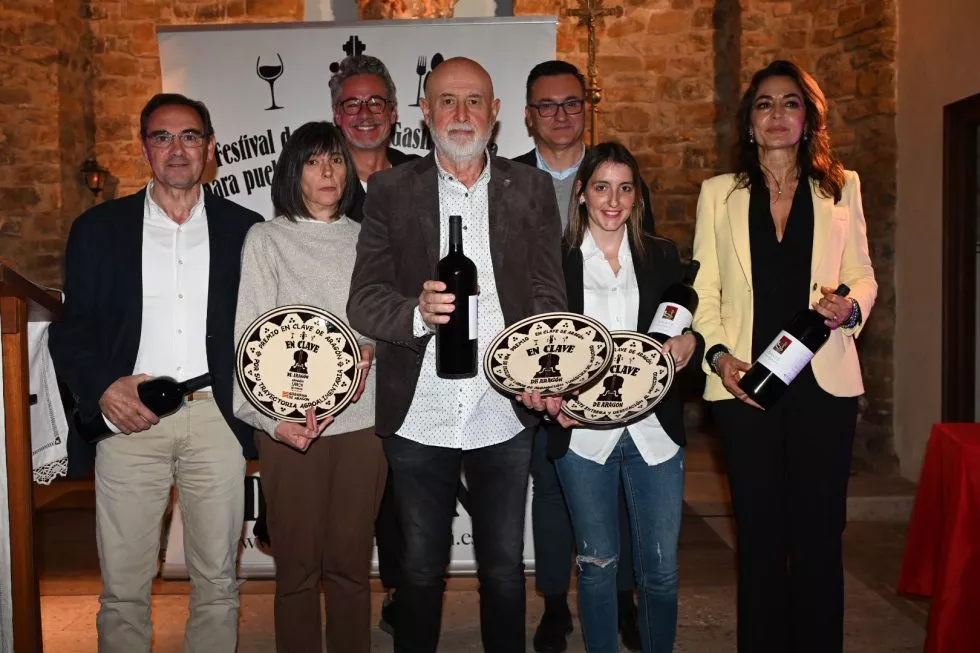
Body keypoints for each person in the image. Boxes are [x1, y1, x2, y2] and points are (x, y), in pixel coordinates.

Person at [347, 57, 567, 653]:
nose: (461, 114)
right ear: (424, 112)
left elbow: (549, 295)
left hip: (504, 407)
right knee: (418, 570)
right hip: (420, 412)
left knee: (502, 569)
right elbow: (364, 301)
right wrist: (416, 313)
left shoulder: (533, 189)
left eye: (475, 101)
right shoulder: (390, 191)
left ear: (496, 114)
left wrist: (541, 371)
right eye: (447, 100)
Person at [48, 93, 262, 653]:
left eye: (189, 136)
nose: (176, 149)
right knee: (123, 589)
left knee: (217, 582)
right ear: (144, 147)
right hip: (129, 418)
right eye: (162, 137)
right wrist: (102, 388)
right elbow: (69, 331)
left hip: (216, 419)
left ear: (210, 148)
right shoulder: (98, 229)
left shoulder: (247, 230)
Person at [691, 60, 877, 653]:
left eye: (790, 103)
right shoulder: (718, 195)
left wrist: (848, 308)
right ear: (750, 122)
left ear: (808, 117)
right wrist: (719, 358)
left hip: (823, 387)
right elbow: (705, 291)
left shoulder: (840, 187)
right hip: (747, 389)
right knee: (762, 538)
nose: (777, 115)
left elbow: (863, 275)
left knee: (821, 537)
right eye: (765, 104)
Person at [536, 142, 702, 653]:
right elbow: (539, 345)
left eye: (625, 188)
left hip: (655, 433)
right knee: (596, 564)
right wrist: (546, 394)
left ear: (637, 196)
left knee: (661, 571)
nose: (614, 200)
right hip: (584, 436)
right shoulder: (556, 262)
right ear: (582, 193)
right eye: (602, 187)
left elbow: (689, 324)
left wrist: (690, 343)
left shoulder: (661, 256)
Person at [513, 59, 651, 652]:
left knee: (619, 486)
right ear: (527, 117)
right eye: (548, 105)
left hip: (619, 366)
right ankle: (552, 604)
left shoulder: (614, 175)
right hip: (543, 365)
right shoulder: (507, 179)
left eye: (572, 103)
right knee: (550, 489)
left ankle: (621, 597)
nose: (561, 114)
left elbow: (650, 263)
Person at [232, 121, 385, 653]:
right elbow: (248, 345)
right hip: (287, 426)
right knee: (296, 572)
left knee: (349, 569)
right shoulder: (266, 240)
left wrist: (374, 347)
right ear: (293, 170)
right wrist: (273, 421)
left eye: (337, 160)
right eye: (315, 161)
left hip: (363, 424)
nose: (328, 172)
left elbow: (387, 322)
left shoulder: (370, 238)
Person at [329, 54, 420, 222]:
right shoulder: (324, 182)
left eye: (375, 103)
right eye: (352, 104)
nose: (364, 114)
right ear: (337, 115)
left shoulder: (422, 174)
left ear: (392, 113)